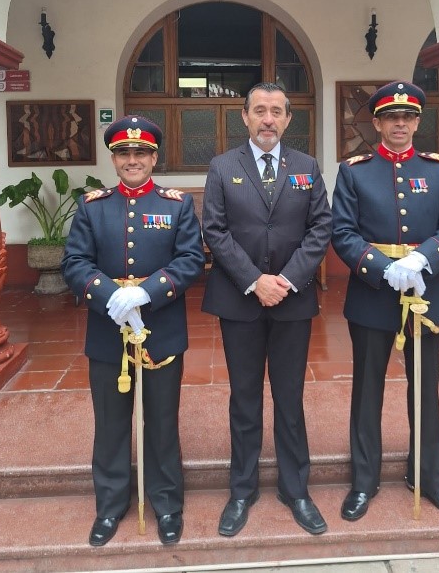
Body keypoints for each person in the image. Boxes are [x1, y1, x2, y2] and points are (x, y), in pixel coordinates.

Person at [61, 115, 205, 547]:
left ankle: (165, 502)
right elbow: (74, 262)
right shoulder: (92, 205)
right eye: (124, 153)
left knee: (161, 421)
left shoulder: (177, 205)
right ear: (114, 157)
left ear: (154, 157)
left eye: (141, 152)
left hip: (160, 329)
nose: (132, 160)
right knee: (110, 423)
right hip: (107, 332)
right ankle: (110, 504)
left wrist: (146, 293)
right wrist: (109, 294)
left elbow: (190, 260)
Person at [331, 81, 439, 522]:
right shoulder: (354, 171)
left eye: (407, 117)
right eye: (391, 117)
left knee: (425, 389)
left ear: (417, 122)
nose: (399, 124)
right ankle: (364, 480)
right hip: (374, 292)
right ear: (376, 123)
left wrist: (422, 260)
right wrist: (380, 266)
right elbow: (343, 232)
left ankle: (429, 477)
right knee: (367, 390)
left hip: (426, 293)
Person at [201, 82, 332, 537]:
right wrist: (255, 281)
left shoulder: (307, 167)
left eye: (277, 111)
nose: (268, 119)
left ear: (289, 119)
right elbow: (214, 231)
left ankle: (296, 489)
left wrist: (287, 281)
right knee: (245, 399)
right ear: (245, 116)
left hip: (292, 301)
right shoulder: (222, 166)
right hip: (240, 301)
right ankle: (242, 489)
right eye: (260, 110)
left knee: (290, 399)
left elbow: (321, 227)